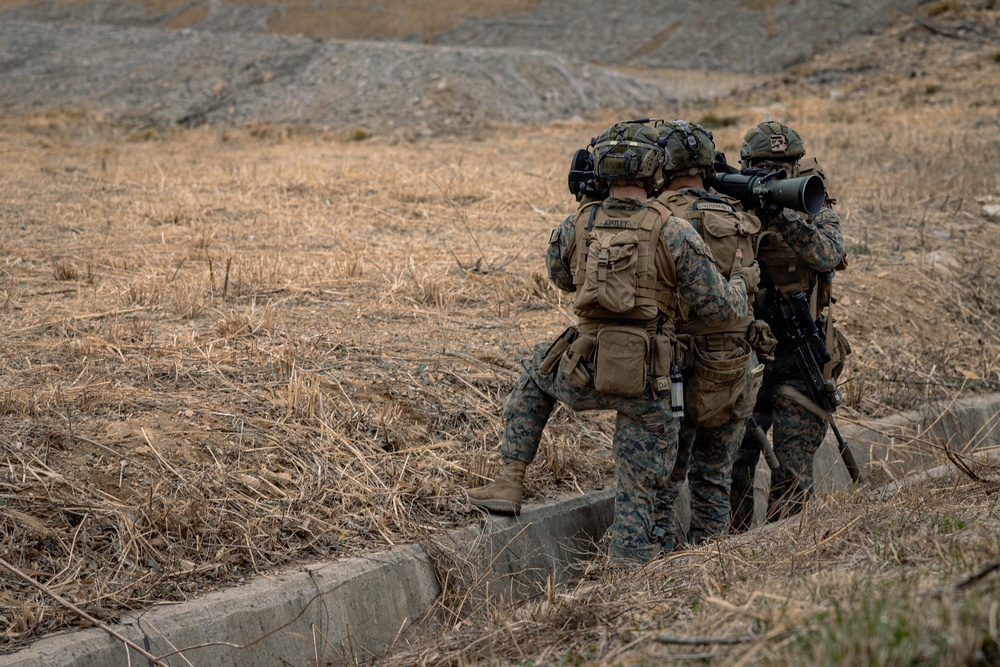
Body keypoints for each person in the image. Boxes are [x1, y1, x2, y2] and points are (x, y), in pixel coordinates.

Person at [466, 120, 760, 562]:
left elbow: (561, 279)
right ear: (654, 172)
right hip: (650, 383)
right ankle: (629, 583)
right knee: (638, 500)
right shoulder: (674, 231)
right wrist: (741, 279)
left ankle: (510, 479)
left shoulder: (579, 223)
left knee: (535, 371)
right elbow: (718, 308)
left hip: (585, 367)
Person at [648, 120, 771, 551]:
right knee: (714, 478)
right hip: (734, 363)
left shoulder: (659, 217)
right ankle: (710, 560)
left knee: (667, 476)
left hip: (677, 364)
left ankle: (659, 564)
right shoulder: (738, 216)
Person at [728, 119, 850, 530]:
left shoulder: (813, 206)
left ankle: (786, 554)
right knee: (733, 463)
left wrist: (780, 215)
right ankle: (735, 550)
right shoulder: (729, 204)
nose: (771, 177)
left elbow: (828, 253)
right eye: (762, 168)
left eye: (782, 169)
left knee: (793, 473)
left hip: (800, 359)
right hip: (745, 358)